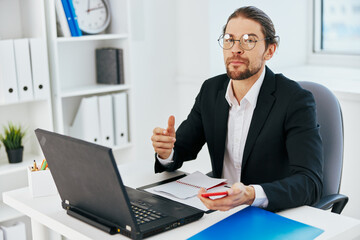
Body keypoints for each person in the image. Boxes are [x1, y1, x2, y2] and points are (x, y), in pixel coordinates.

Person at [151, 6, 323, 212]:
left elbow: (310, 183)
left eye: (249, 40)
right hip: (219, 209)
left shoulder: (295, 100)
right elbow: (182, 149)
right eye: (229, 39)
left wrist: (250, 195)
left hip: (269, 213)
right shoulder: (211, 91)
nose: (236, 48)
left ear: (270, 50)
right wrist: (167, 152)